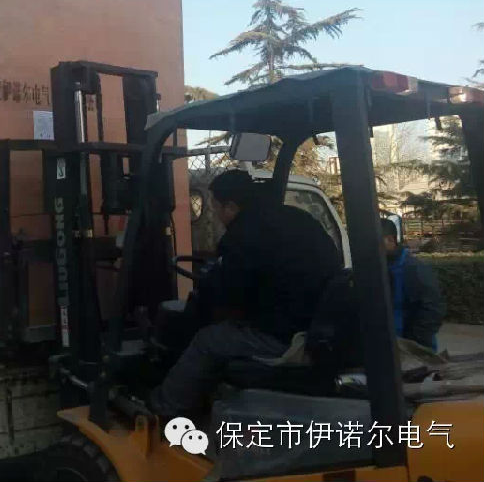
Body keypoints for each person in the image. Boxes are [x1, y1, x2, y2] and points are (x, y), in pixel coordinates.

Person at [150, 169, 342, 416]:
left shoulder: (242, 235)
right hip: (316, 321)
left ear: (230, 206)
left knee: (207, 340)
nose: (217, 215)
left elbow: (228, 294)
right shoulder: (297, 218)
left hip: (285, 334)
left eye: (216, 208)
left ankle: (165, 406)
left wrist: (204, 295)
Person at [381, 218, 444, 349]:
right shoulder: (379, 266)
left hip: (412, 348)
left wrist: (414, 343)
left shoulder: (413, 268)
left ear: (391, 240)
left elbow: (433, 309)